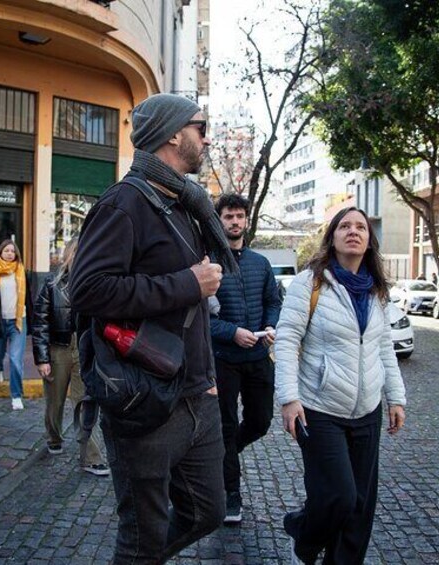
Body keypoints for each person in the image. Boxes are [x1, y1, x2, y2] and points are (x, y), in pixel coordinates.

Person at [71, 93, 235, 564]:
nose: (207, 137)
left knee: (208, 512)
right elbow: (88, 290)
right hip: (145, 396)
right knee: (142, 533)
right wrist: (187, 283)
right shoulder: (125, 202)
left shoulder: (185, 202)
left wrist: (206, 377)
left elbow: (195, 308)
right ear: (171, 134)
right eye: (200, 127)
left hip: (196, 395)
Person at [275, 207, 407, 565]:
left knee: (360, 506)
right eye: (344, 226)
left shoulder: (376, 289)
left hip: (367, 409)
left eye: (361, 227)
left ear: (369, 239)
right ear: (332, 237)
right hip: (320, 408)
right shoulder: (311, 282)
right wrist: (289, 398)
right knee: (339, 496)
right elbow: (286, 339)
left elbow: (383, 347)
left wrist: (395, 397)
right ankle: (303, 534)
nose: (353, 231)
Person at [209, 193, 282, 524]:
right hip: (223, 357)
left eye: (239, 216)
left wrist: (270, 325)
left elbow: (273, 301)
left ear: (246, 221)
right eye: (228, 217)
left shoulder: (260, 263)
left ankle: (223, 457)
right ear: (219, 221)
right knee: (225, 427)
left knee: (261, 421)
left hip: (257, 356)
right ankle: (231, 494)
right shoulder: (208, 265)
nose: (234, 221)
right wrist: (232, 332)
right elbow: (202, 319)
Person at [31, 237, 110, 476]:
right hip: (58, 348)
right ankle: (54, 437)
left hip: (85, 348)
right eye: (77, 251)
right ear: (68, 254)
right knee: (54, 403)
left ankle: (91, 457)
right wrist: (42, 358)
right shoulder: (51, 284)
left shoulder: (95, 283)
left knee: (85, 402)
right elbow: (40, 323)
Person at [0, 240, 32, 410]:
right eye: (6, 250)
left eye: (13, 250)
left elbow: (29, 298)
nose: (10, 253)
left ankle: (16, 396)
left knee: (15, 359)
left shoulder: (21, 272)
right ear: (0, 253)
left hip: (18, 321)